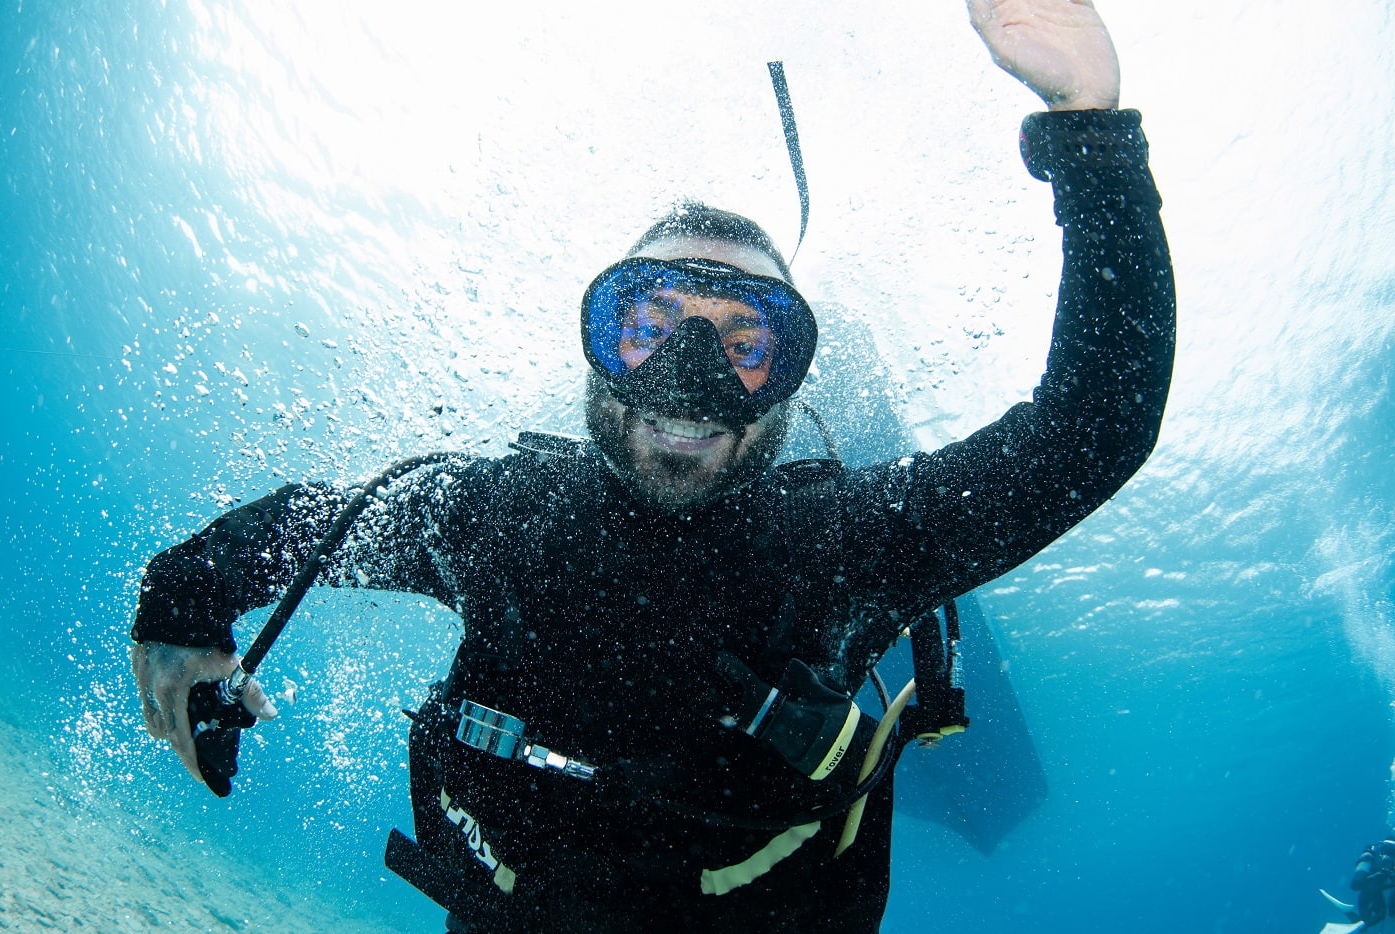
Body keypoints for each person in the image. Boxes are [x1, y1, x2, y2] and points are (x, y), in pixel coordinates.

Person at [128, 1, 1175, 930]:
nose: (690, 376)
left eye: (744, 343)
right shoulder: (496, 517)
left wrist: (1090, 126)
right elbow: (309, 526)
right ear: (599, 340)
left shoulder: (849, 545)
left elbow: (1092, 427)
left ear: (786, 380)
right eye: (649, 325)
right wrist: (183, 590)